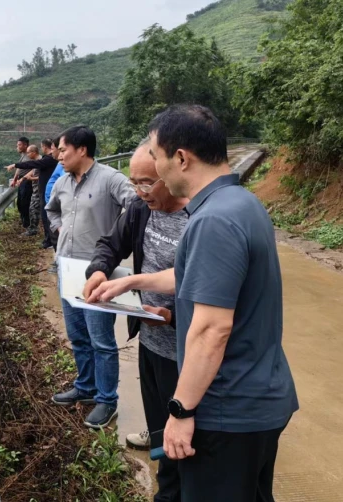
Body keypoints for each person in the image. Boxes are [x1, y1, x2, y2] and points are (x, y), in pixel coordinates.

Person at [87, 105, 298, 502]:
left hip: (226, 409)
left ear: (181, 158)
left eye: (156, 156)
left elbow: (211, 330)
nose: (155, 167)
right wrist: (132, 280)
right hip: (259, 399)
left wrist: (181, 411)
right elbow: (196, 275)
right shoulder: (241, 203)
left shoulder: (211, 221)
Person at [83, 139, 188, 502]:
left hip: (187, 352)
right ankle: (161, 455)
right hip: (150, 341)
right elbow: (110, 244)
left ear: (171, 172)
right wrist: (99, 270)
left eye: (148, 182)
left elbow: (215, 295)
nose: (141, 192)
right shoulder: (142, 210)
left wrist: (172, 317)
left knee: (186, 437)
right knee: (160, 423)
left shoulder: (201, 218)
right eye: (135, 182)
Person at [45, 125, 134, 428]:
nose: (58, 156)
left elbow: (136, 207)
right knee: (78, 335)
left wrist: (118, 239)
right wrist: (59, 229)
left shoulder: (110, 179)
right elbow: (51, 210)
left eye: (63, 150)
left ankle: (107, 400)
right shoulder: (62, 182)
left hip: (97, 273)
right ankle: (85, 387)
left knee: (101, 340)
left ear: (82, 150)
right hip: (66, 269)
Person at [10, 139, 59, 240]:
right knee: (40, 212)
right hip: (41, 190)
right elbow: (33, 169)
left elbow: (32, 166)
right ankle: (47, 238)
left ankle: (47, 238)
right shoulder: (45, 160)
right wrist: (22, 178)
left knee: (42, 213)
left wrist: (15, 165)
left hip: (44, 191)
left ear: (44, 147)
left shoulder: (47, 160)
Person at [5, 137, 32, 230]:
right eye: (17, 145)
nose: (18, 147)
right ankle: (25, 223)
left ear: (25, 145)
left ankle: (28, 225)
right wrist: (15, 179)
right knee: (20, 203)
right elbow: (19, 168)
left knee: (25, 204)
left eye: (19, 145)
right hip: (21, 181)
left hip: (27, 182)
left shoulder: (30, 155)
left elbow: (34, 169)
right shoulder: (23, 155)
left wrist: (23, 178)